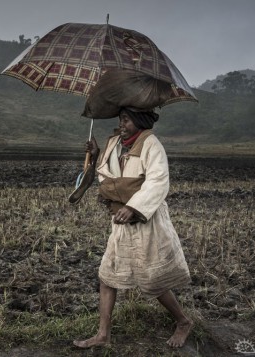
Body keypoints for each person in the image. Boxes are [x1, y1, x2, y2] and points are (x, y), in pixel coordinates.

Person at [73, 107, 193, 349]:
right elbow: (105, 176)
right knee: (107, 276)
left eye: (126, 120)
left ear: (139, 121)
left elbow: (158, 180)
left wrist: (134, 207)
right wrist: (96, 156)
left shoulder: (151, 144)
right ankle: (103, 335)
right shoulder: (115, 142)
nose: (122, 124)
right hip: (120, 220)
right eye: (120, 119)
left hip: (145, 221)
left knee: (153, 279)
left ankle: (183, 322)